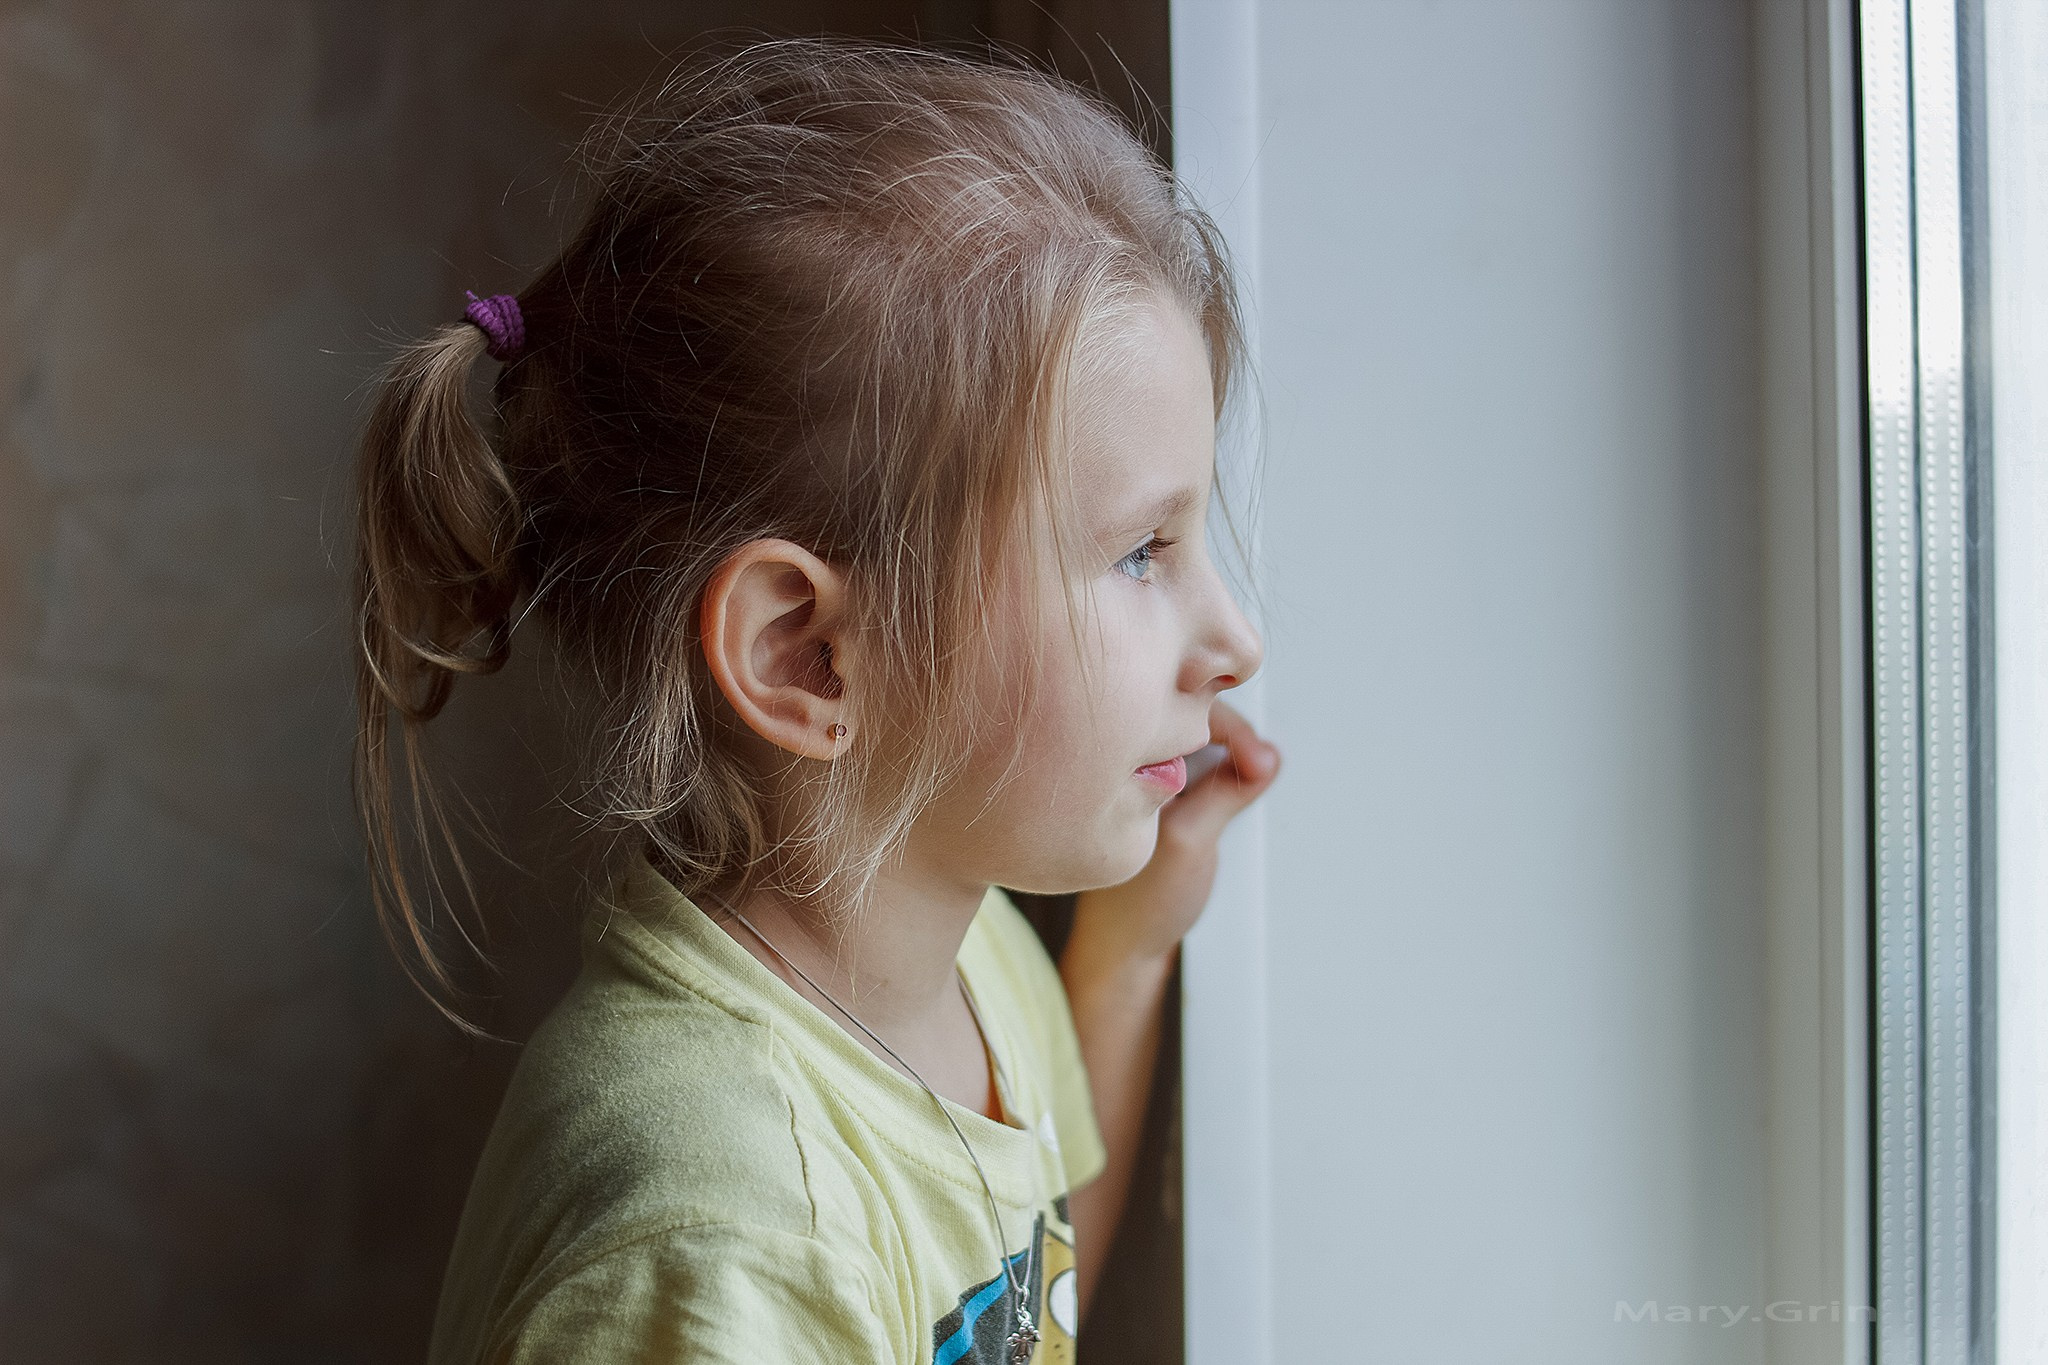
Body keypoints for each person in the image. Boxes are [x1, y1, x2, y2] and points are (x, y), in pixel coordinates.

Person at [352, 32, 1280, 1365]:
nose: (1233, 638)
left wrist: (1123, 952)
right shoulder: (719, 1240)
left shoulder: (957, 948)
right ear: (807, 655)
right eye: (1142, 550)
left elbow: (1028, 1292)